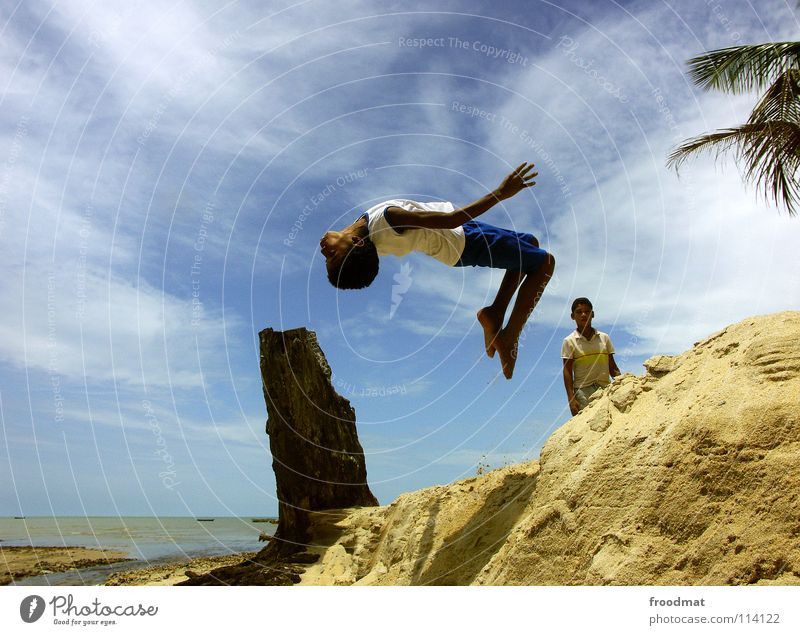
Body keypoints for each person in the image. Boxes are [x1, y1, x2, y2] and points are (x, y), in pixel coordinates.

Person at [319, 162, 555, 379]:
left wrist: (342, 256)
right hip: (463, 241)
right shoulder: (388, 220)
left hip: (462, 234)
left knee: (530, 243)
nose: (323, 252)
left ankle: (495, 312)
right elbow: (451, 220)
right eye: (331, 255)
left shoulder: (365, 235)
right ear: (357, 243)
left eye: (328, 257)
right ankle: (510, 336)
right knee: (544, 263)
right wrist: (501, 192)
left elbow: (358, 262)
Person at [561, 297, 621, 415]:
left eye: (587, 311)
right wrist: (571, 398)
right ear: (572, 316)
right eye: (579, 312)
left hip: (605, 388)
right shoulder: (569, 341)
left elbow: (612, 366)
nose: (583, 314)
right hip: (583, 392)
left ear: (592, 314)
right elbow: (567, 371)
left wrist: (623, 381)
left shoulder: (604, 338)